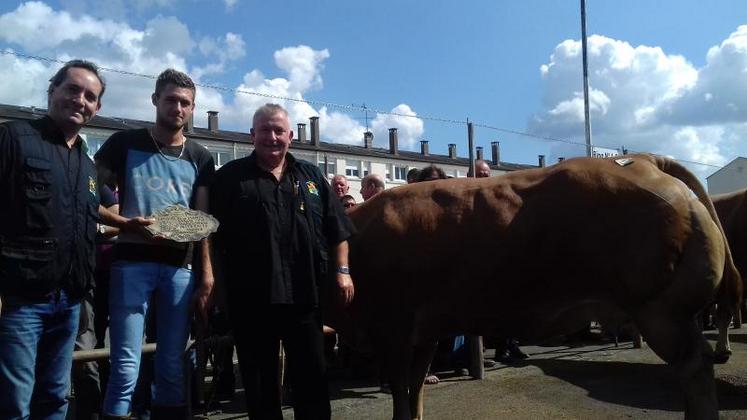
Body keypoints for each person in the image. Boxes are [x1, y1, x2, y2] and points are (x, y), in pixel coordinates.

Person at [210, 103, 355, 419]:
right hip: (251, 299)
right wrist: (215, 286)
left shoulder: (311, 176)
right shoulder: (230, 179)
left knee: (312, 381)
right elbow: (211, 239)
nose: (272, 137)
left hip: (305, 296)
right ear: (252, 135)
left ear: (290, 136)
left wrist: (342, 271)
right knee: (260, 386)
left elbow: (338, 229)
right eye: (265, 130)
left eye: (279, 131)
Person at [95, 68, 215, 419]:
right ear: (155, 101)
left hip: (180, 269)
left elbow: (203, 223)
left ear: (192, 109)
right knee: (125, 363)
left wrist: (206, 275)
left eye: (185, 103)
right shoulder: (125, 143)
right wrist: (123, 223)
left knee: (172, 363)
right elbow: (86, 192)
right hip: (131, 265)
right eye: (171, 100)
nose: (177, 108)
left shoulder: (200, 156)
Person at [0, 59, 105, 420]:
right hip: (21, 299)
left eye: (90, 96)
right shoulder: (14, 138)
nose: (80, 100)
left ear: (97, 108)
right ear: (52, 90)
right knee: (14, 402)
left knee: (56, 397)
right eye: (73, 89)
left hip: (70, 300)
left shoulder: (87, 165)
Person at [474, 161, 528, 363]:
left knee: (509, 306)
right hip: (479, 262)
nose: (484, 177)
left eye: (487, 173)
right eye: (480, 173)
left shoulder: (498, 196)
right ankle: (482, 354)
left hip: (501, 259)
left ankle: (509, 346)